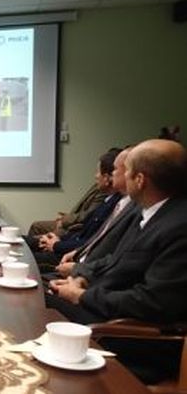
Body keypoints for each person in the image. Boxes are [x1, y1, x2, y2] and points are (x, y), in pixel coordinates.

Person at [46, 139, 187, 383]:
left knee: (39, 304)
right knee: (37, 293)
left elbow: (152, 302)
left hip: (134, 337)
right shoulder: (151, 212)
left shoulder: (178, 226)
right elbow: (116, 260)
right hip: (109, 308)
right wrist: (82, 278)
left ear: (140, 180)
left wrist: (81, 296)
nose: (115, 178)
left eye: (126, 171)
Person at [30, 148, 122, 268]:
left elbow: (91, 241)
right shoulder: (108, 201)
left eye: (97, 172)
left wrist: (57, 244)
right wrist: (59, 239)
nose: (95, 176)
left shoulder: (115, 205)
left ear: (106, 178)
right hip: (68, 245)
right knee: (25, 242)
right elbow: (83, 232)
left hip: (71, 256)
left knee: (26, 257)